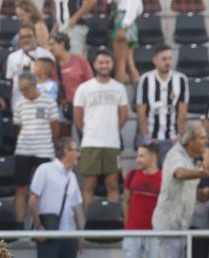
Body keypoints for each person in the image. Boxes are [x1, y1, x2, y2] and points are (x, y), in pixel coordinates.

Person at [151, 124, 207, 258]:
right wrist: (203, 173)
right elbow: (180, 174)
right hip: (169, 224)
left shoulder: (190, 160)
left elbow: (195, 194)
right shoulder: (176, 154)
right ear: (189, 141)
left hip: (180, 225)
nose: (205, 142)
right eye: (202, 138)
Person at [29, 137, 84, 258]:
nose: (78, 154)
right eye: (75, 150)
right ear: (66, 152)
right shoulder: (45, 169)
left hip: (69, 232)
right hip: (49, 230)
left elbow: (74, 208)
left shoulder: (72, 176)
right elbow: (33, 199)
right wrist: (39, 225)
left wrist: (79, 234)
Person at [71, 50, 128, 204]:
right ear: (95, 65)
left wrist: (112, 130)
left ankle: (113, 217)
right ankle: (89, 219)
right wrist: (88, 132)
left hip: (112, 144)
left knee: (112, 185)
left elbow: (123, 116)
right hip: (90, 143)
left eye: (107, 62)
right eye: (101, 62)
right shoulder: (84, 88)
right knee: (89, 185)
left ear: (112, 64)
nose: (104, 65)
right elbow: (77, 116)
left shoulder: (119, 88)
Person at [10, 72, 61, 228]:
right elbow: (20, 126)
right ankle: (19, 223)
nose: (24, 92)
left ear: (34, 85)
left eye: (26, 89)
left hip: (44, 150)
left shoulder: (49, 101)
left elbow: (55, 127)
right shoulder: (19, 103)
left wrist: (52, 144)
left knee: (43, 189)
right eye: (21, 90)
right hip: (23, 150)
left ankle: (40, 222)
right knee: (21, 187)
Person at [122, 141, 160, 258]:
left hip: (155, 233)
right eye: (137, 155)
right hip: (133, 232)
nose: (137, 160)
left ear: (153, 157)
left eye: (142, 156)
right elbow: (126, 200)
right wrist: (128, 225)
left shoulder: (162, 177)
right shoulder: (131, 175)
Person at [135, 45, 189, 161]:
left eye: (170, 58)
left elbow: (182, 112)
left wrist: (179, 137)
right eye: (164, 59)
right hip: (152, 137)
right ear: (155, 60)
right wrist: (146, 137)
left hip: (172, 138)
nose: (168, 62)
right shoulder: (145, 79)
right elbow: (141, 112)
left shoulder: (181, 79)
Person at [49, 32, 91, 107]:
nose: (50, 48)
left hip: (80, 105)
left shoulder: (80, 60)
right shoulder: (52, 66)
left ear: (62, 44)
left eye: (52, 44)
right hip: (61, 107)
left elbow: (90, 82)